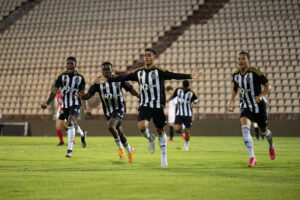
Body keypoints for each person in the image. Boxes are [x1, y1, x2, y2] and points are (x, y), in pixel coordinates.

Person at [108, 48, 201, 167]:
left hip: (158, 106)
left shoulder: (159, 71)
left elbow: (173, 75)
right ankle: (151, 138)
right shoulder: (138, 72)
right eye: (145, 55)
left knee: (160, 131)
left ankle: (163, 158)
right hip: (145, 105)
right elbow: (124, 77)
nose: (146, 57)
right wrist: (110, 78)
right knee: (142, 127)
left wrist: (189, 76)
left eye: (149, 55)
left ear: (154, 57)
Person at [77, 62, 139, 164]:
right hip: (108, 111)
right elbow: (89, 95)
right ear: (102, 71)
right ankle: (130, 150)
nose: (106, 71)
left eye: (108, 69)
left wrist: (138, 96)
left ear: (112, 69)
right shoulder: (97, 82)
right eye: (104, 70)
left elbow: (130, 88)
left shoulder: (118, 79)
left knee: (110, 126)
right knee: (119, 131)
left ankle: (120, 148)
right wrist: (82, 96)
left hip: (120, 108)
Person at [227, 51, 275, 167]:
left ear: (248, 60)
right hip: (245, 105)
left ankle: (271, 145)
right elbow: (235, 89)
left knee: (264, 131)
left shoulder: (255, 72)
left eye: (243, 59)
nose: (240, 61)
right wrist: (230, 102)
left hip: (259, 106)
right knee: (245, 129)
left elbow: (268, 85)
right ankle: (252, 157)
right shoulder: (235, 75)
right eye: (239, 59)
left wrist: (261, 96)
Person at [41, 56, 87, 158]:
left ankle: (69, 150)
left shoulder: (81, 77)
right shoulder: (61, 76)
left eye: (71, 63)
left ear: (75, 65)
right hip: (65, 105)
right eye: (68, 64)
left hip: (75, 103)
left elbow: (82, 93)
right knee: (73, 124)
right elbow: (54, 91)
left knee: (70, 122)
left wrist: (84, 106)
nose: (69, 65)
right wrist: (47, 103)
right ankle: (82, 134)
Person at [167, 80, 198, 151]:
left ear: (188, 86)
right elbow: (173, 96)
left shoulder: (192, 92)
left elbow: (196, 100)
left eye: (186, 87)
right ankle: (182, 128)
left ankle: (186, 145)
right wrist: (168, 100)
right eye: (184, 87)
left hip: (188, 114)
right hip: (179, 113)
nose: (185, 88)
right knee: (176, 128)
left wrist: (194, 104)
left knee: (187, 131)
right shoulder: (178, 90)